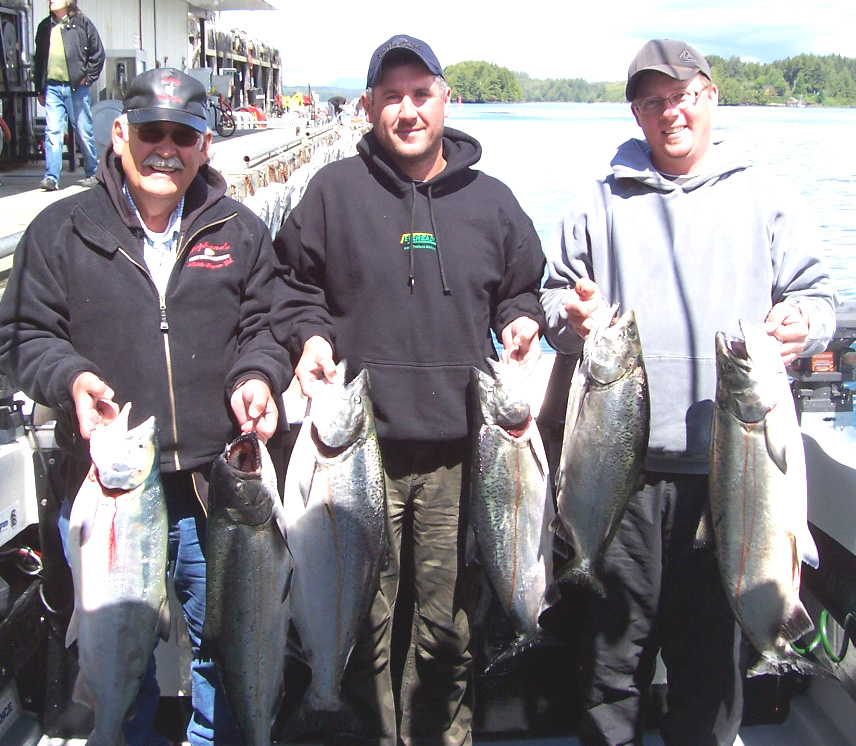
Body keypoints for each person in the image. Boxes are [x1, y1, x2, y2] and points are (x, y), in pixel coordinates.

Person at [540, 38, 836, 746]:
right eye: (653, 101)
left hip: (731, 476)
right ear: (637, 114)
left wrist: (803, 324)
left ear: (711, 98)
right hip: (621, 481)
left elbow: (818, 297)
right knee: (612, 666)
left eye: (683, 96)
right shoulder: (596, 201)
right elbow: (552, 305)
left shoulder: (766, 196)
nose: (670, 112)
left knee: (712, 676)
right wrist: (570, 318)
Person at [0, 67, 291, 746]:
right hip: (107, 493)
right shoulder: (59, 230)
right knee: (115, 664)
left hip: (211, 494)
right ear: (120, 133)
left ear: (205, 144)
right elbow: (23, 336)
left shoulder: (239, 231)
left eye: (182, 135)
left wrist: (257, 374)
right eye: (151, 133)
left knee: (226, 648)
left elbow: (268, 326)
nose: (166, 149)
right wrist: (71, 379)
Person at [272, 33, 545, 746]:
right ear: (368, 107)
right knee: (365, 620)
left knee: (446, 628)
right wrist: (312, 337)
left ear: (444, 99)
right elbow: (292, 286)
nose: (407, 109)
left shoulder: (494, 203)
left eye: (420, 94)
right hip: (356, 454)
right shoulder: (332, 192)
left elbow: (521, 290)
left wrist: (520, 324)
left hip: (463, 454)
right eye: (391, 96)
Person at [33, 0, 104, 191]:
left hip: (76, 88)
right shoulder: (44, 27)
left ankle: (93, 172)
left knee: (83, 131)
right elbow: (38, 59)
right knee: (53, 132)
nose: (51, 1)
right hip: (52, 88)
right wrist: (39, 88)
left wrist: (87, 77)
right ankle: (51, 178)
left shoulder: (82, 23)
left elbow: (98, 53)